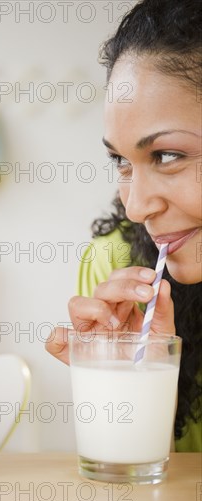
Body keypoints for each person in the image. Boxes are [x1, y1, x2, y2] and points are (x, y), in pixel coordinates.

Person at [46, 0, 201, 452]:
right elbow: (140, 491)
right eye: (121, 161)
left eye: (167, 156)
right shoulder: (117, 264)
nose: (135, 208)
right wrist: (123, 388)